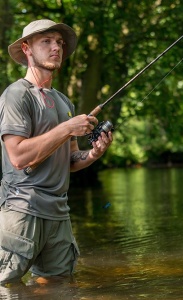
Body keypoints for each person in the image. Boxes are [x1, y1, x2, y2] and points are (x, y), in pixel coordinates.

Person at [0, 19, 113, 283]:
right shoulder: (16, 95)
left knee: (58, 288)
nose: (56, 48)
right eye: (47, 42)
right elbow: (17, 157)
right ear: (27, 49)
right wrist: (66, 128)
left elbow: (71, 160)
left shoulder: (64, 101)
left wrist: (94, 154)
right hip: (21, 211)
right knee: (5, 287)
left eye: (60, 43)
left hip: (59, 215)